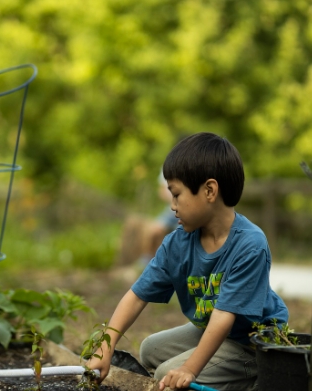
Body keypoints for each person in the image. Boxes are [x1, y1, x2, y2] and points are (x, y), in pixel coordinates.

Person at [86, 132, 288, 391]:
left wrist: (189, 369)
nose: (172, 206)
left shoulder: (250, 244)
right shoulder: (177, 243)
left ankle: (251, 378)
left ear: (209, 191)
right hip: (214, 332)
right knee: (150, 349)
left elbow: (224, 317)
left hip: (253, 344)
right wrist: (106, 344)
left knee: (166, 373)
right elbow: (137, 295)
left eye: (177, 194)